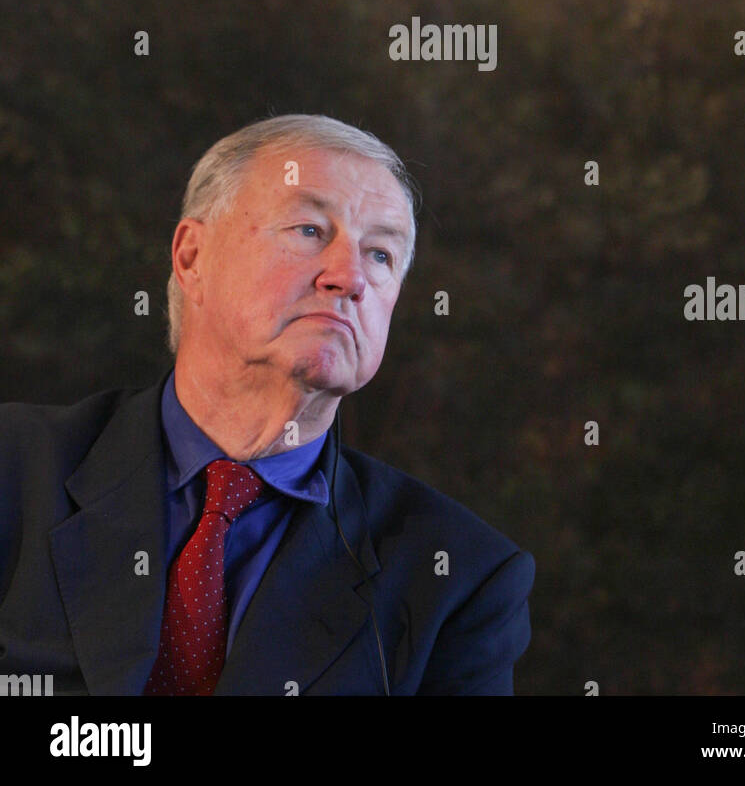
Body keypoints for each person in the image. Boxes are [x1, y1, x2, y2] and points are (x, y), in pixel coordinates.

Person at [0, 114, 535, 695]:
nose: (350, 276)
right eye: (309, 229)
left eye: (380, 254)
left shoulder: (460, 577)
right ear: (192, 258)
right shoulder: (14, 470)